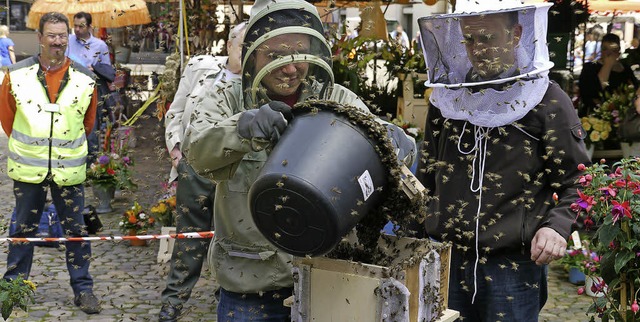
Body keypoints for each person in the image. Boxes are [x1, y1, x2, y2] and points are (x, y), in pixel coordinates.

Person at [182, 0, 415, 320]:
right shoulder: (226, 98)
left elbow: (388, 148)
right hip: (252, 289)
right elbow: (196, 154)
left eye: (299, 54)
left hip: (329, 282)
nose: (290, 68)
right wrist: (241, 128)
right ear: (253, 55)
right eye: (275, 56)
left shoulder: (337, 100)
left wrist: (396, 142)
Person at [416, 1, 590, 321]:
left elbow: (578, 181)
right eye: (469, 39)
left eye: (487, 38)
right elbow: (425, 177)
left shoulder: (547, 100)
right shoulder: (446, 100)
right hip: (447, 258)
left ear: (516, 34)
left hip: (513, 266)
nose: (477, 49)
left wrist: (557, 228)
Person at [0, 12, 101, 314]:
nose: (57, 41)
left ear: (67, 38)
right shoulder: (16, 75)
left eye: (61, 36)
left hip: (69, 171)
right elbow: (7, 118)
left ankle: (83, 290)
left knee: (76, 232)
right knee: (22, 229)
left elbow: (88, 122)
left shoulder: (85, 78)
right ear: (40, 38)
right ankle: (14, 289)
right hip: (28, 170)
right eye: (51, 35)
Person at [158, 22, 247, 322]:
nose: (247, 52)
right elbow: (175, 113)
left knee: (233, 236)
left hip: (235, 173)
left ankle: (226, 294)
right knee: (189, 237)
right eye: (242, 45)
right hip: (194, 167)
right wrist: (176, 152)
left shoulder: (257, 82)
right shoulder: (201, 70)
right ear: (230, 45)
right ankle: (174, 300)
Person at [66, 11, 115, 162]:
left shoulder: (100, 45)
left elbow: (108, 70)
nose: (77, 29)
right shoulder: (68, 40)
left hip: (91, 95)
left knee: (91, 131)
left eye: (81, 26)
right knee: (69, 130)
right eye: (75, 26)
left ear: (89, 27)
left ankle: (90, 167)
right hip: (69, 93)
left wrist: (95, 69)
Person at [579, 33, 639, 117]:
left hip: (621, 116)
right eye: (605, 49)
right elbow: (591, 93)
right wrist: (607, 66)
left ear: (618, 52)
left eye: (613, 50)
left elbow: (633, 90)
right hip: (594, 116)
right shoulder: (590, 68)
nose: (609, 54)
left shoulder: (626, 70)